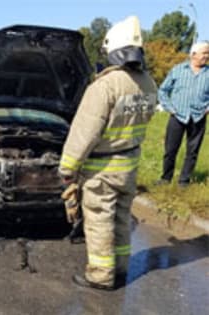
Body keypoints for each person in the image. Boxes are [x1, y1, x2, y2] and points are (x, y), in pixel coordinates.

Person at [58, 16, 157, 290]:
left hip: (102, 170)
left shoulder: (104, 87)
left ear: (113, 51)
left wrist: (67, 169)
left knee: (100, 220)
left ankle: (101, 275)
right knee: (121, 219)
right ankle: (122, 268)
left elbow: (83, 134)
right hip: (129, 164)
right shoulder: (148, 83)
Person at [157, 41, 209, 187]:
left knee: (192, 152)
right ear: (193, 54)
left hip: (198, 117)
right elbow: (163, 90)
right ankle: (165, 178)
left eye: (208, 53)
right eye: (204, 53)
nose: (207, 56)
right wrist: (170, 108)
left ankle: (184, 181)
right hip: (177, 116)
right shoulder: (178, 70)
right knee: (170, 150)